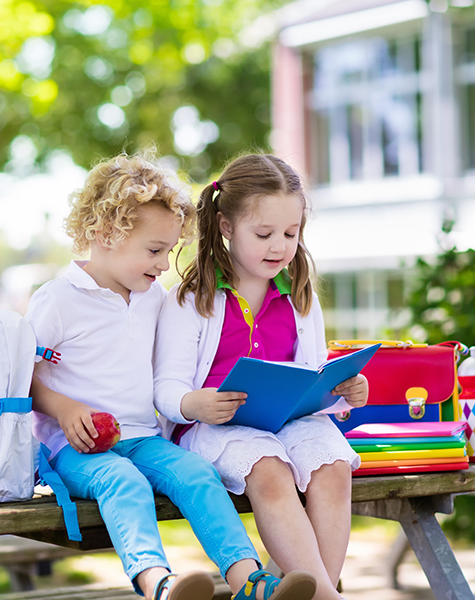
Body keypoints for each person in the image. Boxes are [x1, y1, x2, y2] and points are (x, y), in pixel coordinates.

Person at [25, 153, 317, 600]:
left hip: (143, 437)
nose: (164, 264)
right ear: (105, 235)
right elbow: (21, 374)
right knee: (124, 482)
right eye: (154, 250)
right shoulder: (59, 299)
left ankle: (250, 581)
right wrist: (64, 409)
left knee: (197, 473)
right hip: (76, 446)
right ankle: (158, 583)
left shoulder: (153, 297)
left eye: (169, 251)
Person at [154, 154, 369, 600]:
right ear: (227, 227)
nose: (280, 246)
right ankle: (329, 597)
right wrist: (194, 403)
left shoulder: (301, 298)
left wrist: (345, 392)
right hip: (214, 427)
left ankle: (319, 593)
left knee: (332, 467)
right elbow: (166, 389)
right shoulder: (190, 300)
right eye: (264, 234)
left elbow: (316, 376)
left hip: (291, 422)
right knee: (270, 471)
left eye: (291, 234)